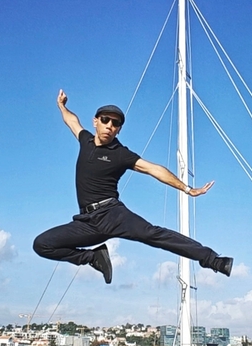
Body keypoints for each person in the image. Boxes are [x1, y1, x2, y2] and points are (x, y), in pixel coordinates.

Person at [33, 90, 234, 284]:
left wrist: (187, 189)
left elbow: (154, 169)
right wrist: (61, 106)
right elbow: (71, 121)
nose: (109, 125)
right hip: (86, 221)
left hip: (112, 214)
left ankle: (215, 260)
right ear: (96, 122)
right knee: (42, 244)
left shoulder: (120, 153)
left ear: (119, 129)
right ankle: (94, 257)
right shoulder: (86, 140)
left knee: (153, 234)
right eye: (105, 120)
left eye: (116, 123)